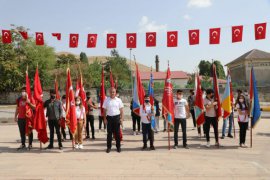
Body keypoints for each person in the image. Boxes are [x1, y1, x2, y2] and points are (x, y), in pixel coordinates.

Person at [103, 87, 124, 153]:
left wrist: (121, 119)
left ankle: (118, 147)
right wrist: (104, 119)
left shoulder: (119, 100)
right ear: (109, 93)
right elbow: (104, 110)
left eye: (113, 92)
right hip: (109, 118)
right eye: (111, 92)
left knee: (117, 134)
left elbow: (121, 110)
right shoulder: (106, 100)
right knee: (109, 134)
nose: (112, 93)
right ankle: (109, 147)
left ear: (115, 93)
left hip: (117, 118)